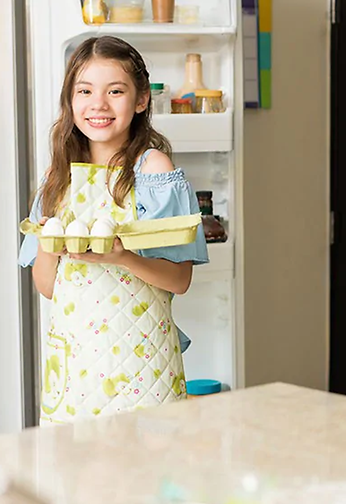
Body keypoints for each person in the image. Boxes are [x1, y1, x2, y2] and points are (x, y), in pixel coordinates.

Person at [19, 36, 209, 425]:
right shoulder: (57, 177)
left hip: (141, 361)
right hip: (76, 363)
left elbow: (179, 279)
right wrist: (49, 244)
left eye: (115, 91)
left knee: (140, 475)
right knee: (75, 478)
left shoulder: (152, 169)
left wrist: (120, 256)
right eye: (84, 91)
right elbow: (48, 287)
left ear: (140, 101)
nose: (98, 104)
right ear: (70, 101)